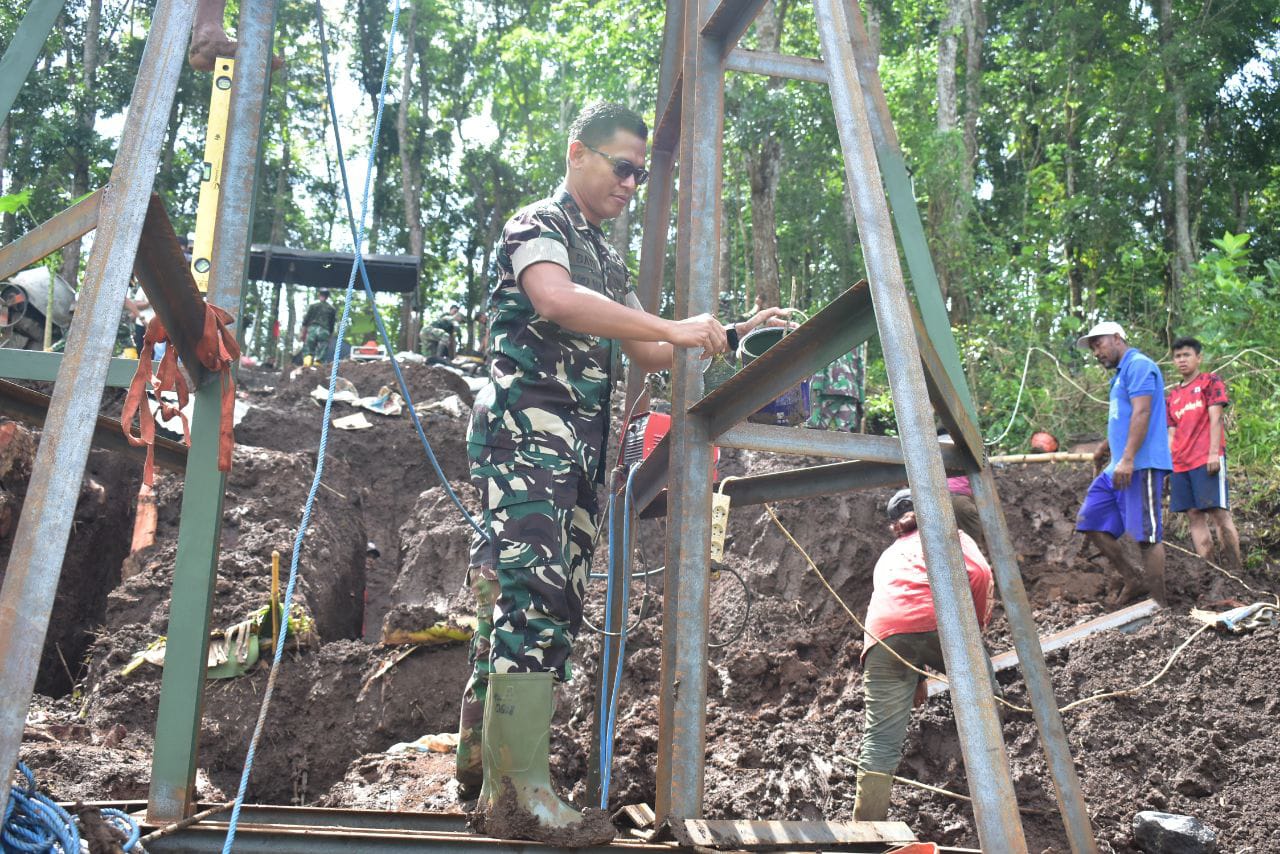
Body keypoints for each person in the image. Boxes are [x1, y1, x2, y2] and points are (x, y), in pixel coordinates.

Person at [459, 101, 788, 844]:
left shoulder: (603, 255)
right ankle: (519, 796)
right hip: (527, 437)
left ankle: (485, 783)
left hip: (576, 450)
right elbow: (554, 299)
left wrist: (726, 333)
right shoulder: (538, 225)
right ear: (577, 152)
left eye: (640, 173)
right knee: (532, 594)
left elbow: (645, 350)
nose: (632, 183)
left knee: (538, 601)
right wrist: (670, 326)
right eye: (622, 167)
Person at [853, 489, 995, 821]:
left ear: (894, 525)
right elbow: (978, 574)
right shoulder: (950, 535)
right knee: (987, 703)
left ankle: (866, 827)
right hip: (942, 624)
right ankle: (993, 796)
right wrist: (973, 632)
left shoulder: (888, 555)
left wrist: (914, 675)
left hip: (882, 637)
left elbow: (903, 614)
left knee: (880, 740)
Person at [1075, 321, 1172, 604]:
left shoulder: (1139, 365)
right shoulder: (1119, 375)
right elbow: (1124, 415)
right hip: (1118, 465)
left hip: (1139, 464)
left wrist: (1128, 458)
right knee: (1090, 520)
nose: (1095, 352)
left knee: (1146, 536)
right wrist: (1105, 448)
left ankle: (1161, 607)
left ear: (1118, 338)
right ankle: (1133, 577)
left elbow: (1142, 413)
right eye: (1092, 348)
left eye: (1099, 344)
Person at [1166, 336, 1243, 573]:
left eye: (1186, 355)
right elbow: (1171, 433)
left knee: (1218, 512)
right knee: (1193, 514)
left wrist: (1213, 454)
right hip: (1181, 463)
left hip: (1205, 458)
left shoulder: (1210, 382)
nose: (1182, 360)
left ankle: (1236, 571)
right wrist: (1170, 465)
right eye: (1177, 356)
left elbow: (1216, 418)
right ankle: (1211, 572)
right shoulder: (1173, 397)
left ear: (1198, 357)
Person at [806, 350, 862, 432]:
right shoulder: (855, 342)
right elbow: (860, 368)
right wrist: (861, 400)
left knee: (817, 427)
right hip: (851, 391)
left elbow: (819, 363)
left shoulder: (826, 340)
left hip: (828, 390)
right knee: (846, 430)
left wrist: (816, 386)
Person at [298, 289, 336, 366]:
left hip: (313, 329)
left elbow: (305, 321)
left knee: (308, 348)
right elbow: (332, 324)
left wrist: (302, 333)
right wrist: (330, 337)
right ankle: (318, 364)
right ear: (327, 297)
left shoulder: (313, 306)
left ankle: (307, 364)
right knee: (322, 348)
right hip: (325, 331)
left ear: (319, 295)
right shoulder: (332, 309)